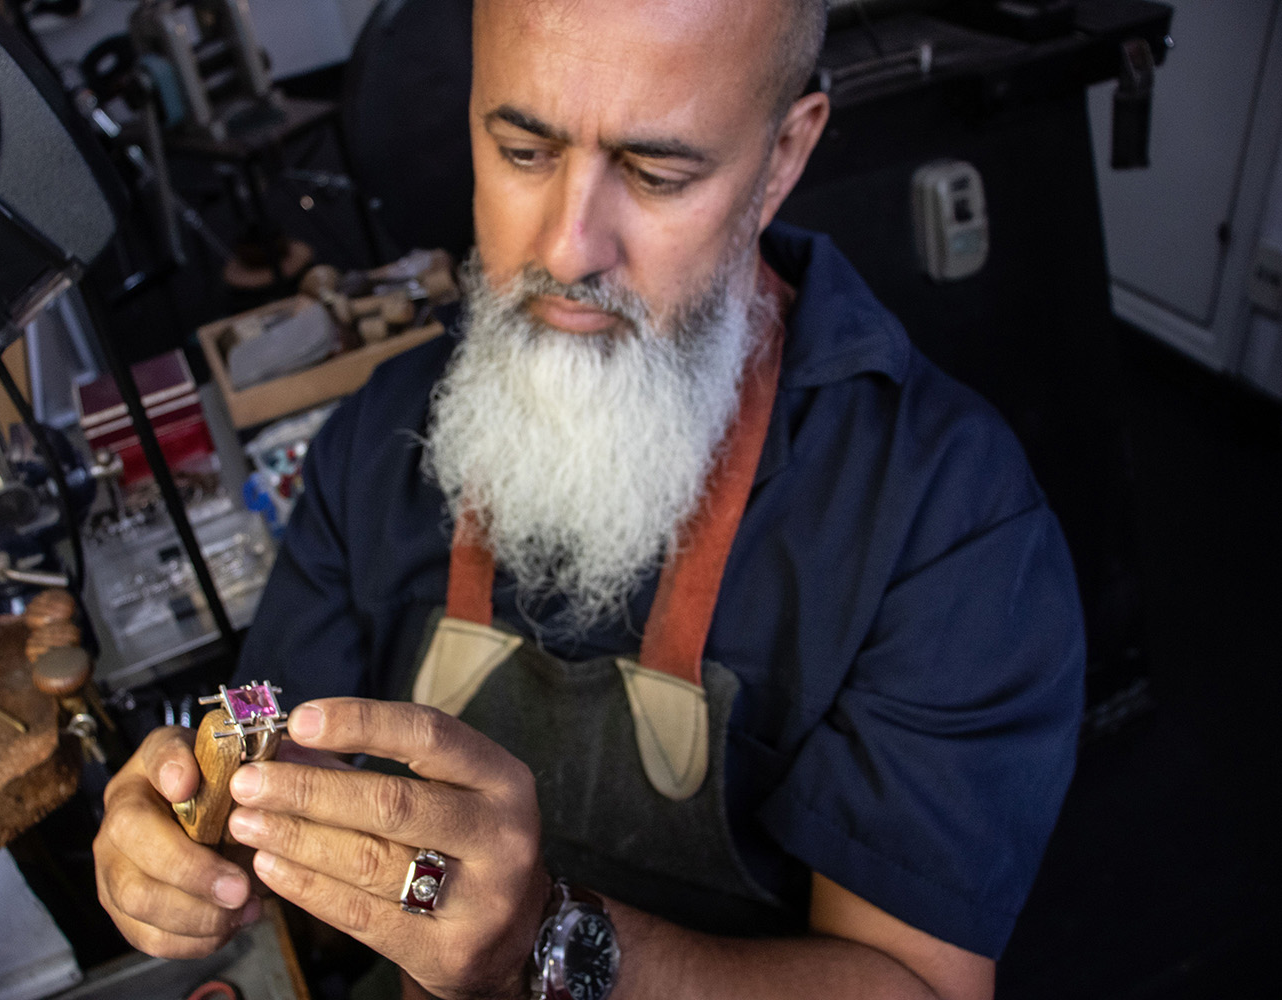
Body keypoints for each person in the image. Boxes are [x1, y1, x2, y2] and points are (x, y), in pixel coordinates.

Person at [93, 1, 1084, 998]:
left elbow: (919, 987)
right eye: (523, 152)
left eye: (656, 174)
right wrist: (189, 833)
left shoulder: (946, 520)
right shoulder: (383, 431)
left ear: (784, 155)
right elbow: (270, 758)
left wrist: (545, 939)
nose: (568, 250)